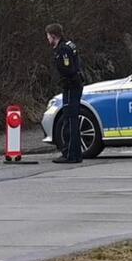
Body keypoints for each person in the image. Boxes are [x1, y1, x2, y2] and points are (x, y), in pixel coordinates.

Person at [46, 23, 83, 164]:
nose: (47, 39)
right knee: (71, 120)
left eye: (48, 36)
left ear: (54, 36)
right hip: (74, 86)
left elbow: (68, 69)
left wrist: (65, 81)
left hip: (71, 87)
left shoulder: (63, 49)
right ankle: (75, 153)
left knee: (70, 120)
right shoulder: (69, 45)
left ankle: (70, 154)